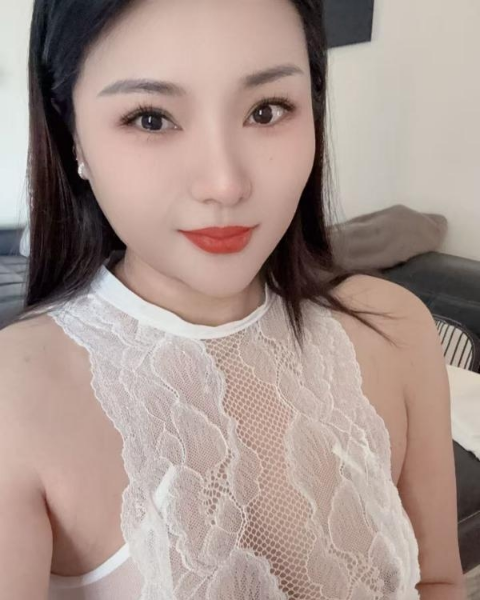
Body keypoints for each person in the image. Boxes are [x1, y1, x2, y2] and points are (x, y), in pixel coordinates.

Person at [0, 0, 465, 598]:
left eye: (267, 110)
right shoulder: (17, 396)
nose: (224, 184)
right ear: (73, 139)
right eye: (151, 119)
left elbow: (438, 582)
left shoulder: (395, 328)